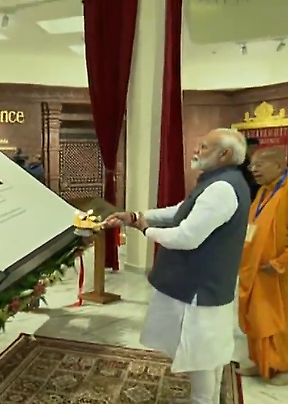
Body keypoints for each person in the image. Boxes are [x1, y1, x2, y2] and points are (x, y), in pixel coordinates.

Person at [105, 128, 251, 404]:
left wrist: (146, 230)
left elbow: (186, 237)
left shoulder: (221, 188)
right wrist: (136, 216)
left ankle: (203, 400)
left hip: (197, 286)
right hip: (206, 282)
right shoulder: (221, 181)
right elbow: (181, 210)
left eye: (204, 147)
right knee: (208, 351)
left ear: (224, 154)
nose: (197, 150)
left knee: (199, 352)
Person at [238, 146, 288, 385]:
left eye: (259, 165)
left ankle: (283, 367)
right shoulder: (262, 192)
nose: (253, 170)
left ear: (279, 166)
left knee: (277, 321)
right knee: (257, 318)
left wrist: (279, 263)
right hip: (255, 269)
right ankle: (262, 362)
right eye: (252, 165)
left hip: (278, 274)